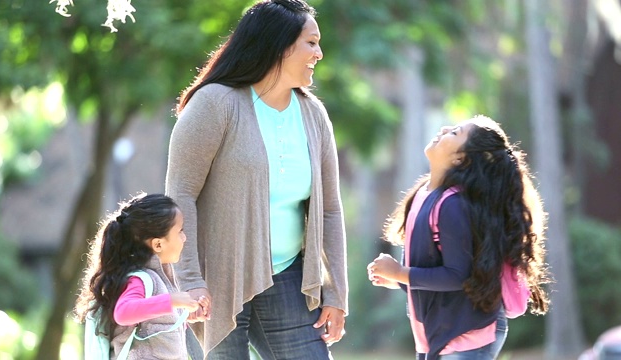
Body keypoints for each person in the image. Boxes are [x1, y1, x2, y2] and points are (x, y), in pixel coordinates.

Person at [164, 0, 348, 359]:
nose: (319, 53)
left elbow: (330, 212)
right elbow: (181, 194)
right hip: (216, 278)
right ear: (278, 45)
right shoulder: (216, 103)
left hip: (289, 275)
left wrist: (335, 294)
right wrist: (190, 280)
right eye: (311, 42)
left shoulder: (313, 114)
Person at [367, 115, 550, 359]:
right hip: (441, 335)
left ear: (460, 158)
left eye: (454, 133)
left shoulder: (451, 204)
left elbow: (457, 275)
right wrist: (400, 280)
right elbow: (445, 270)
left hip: (467, 336)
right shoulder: (424, 194)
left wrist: (401, 273)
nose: (443, 129)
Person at [74, 193, 205, 359]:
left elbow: (155, 325)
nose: (184, 238)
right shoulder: (141, 280)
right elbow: (123, 313)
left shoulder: (162, 277)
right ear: (158, 244)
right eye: (180, 231)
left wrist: (184, 313)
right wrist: (173, 301)